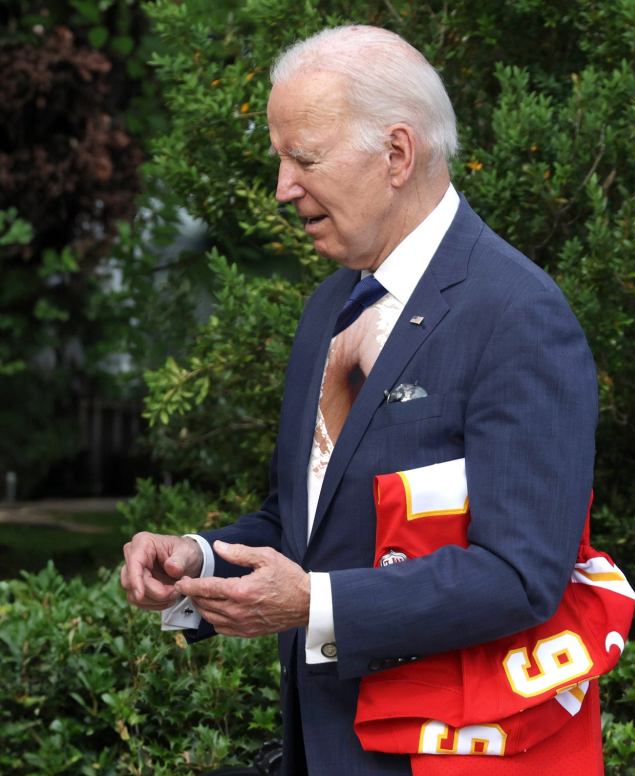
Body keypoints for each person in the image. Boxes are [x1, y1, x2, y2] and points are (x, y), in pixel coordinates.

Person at [121, 25, 598, 775]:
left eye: (303, 158)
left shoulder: (518, 315)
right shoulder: (330, 307)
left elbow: (521, 576)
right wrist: (201, 558)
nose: (283, 187)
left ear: (397, 154)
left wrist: (316, 605)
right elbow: (309, 523)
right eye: (280, 158)